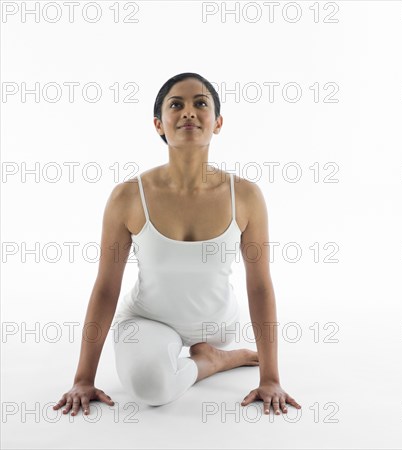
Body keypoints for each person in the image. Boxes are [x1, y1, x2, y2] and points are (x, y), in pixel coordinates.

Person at [53, 72, 301, 417]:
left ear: (217, 123)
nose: (189, 112)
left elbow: (259, 284)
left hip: (217, 324)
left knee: (171, 372)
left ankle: (216, 350)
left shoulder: (244, 196)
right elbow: (106, 288)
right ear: (158, 124)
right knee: (150, 388)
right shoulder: (128, 197)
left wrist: (270, 378)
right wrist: (83, 378)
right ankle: (209, 362)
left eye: (201, 104)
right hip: (150, 319)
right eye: (176, 105)